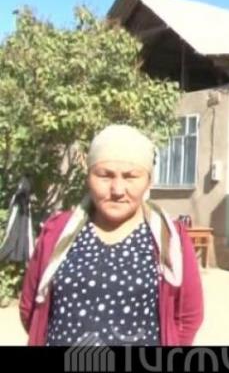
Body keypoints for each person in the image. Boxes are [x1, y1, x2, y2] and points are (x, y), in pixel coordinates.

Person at [19, 124, 203, 346]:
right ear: (88, 177)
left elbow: (188, 317)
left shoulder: (170, 239)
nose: (117, 190)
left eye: (130, 177)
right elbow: (31, 308)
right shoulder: (57, 232)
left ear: (149, 181)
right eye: (105, 176)